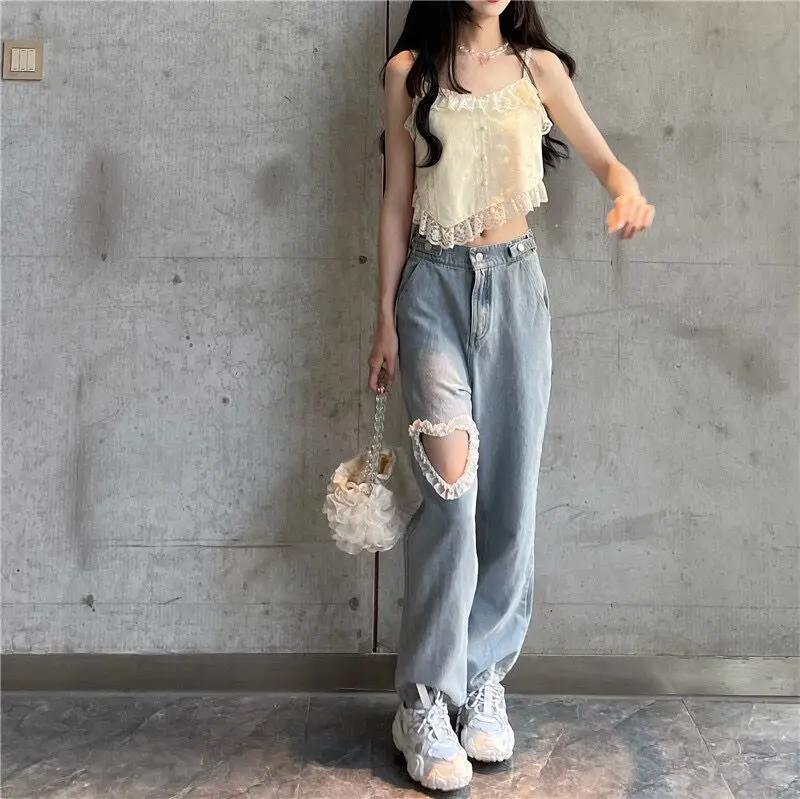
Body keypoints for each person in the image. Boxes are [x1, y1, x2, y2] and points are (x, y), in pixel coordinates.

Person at [369, 0, 655, 790]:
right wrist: (384, 318)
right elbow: (395, 199)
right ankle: (424, 699)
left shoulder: (539, 69)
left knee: (508, 498)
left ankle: (483, 676)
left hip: (517, 290)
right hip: (431, 290)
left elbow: (608, 162)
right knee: (452, 493)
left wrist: (626, 190)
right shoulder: (408, 74)